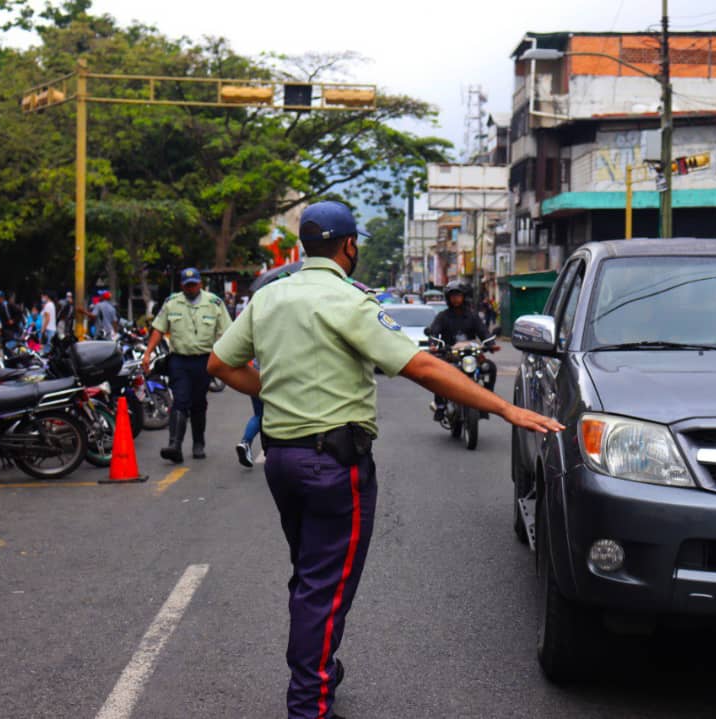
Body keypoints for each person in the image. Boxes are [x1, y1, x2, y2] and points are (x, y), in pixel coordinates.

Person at [207, 200, 561, 719]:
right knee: (324, 586)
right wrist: (506, 408)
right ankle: (308, 702)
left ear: (305, 245)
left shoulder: (269, 297)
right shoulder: (348, 300)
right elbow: (420, 366)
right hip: (333, 466)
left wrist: (277, 394)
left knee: (310, 574)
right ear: (349, 246)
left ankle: (319, 664)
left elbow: (221, 363)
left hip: (282, 461)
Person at [143, 268, 232, 462]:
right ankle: (174, 444)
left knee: (198, 403)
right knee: (180, 401)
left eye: (194, 284)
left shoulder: (214, 303)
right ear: (182, 285)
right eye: (187, 285)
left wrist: (226, 357)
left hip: (204, 360)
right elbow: (159, 329)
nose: (191, 288)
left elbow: (226, 331)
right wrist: (148, 352)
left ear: (200, 284)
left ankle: (198, 443)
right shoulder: (172, 303)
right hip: (179, 360)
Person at [427, 280, 498, 421]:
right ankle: (440, 406)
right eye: (452, 295)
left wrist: (491, 344)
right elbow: (434, 332)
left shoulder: (472, 316)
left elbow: (483, 332)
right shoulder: (442, 316)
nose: (455, 298)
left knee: (490, 368)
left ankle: (487, 402)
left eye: (458, 295)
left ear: (464, 297)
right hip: (450, 354)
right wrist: (434, 344)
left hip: (471, 353)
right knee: (438, 373)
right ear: (448, 298)